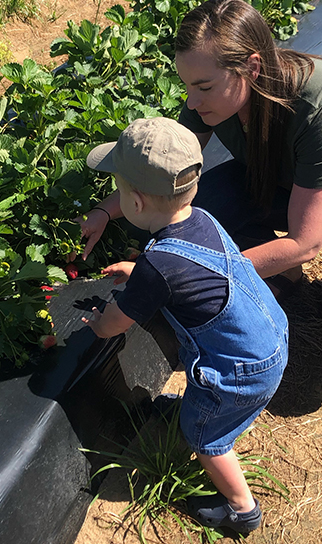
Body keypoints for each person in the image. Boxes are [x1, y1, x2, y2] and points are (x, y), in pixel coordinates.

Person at [77, 0, 322, 348]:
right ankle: (283, 268)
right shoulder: (206, 97)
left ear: (252, 68)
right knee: (172, 212)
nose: (192, 102)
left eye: (204, 87)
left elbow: (305, 242)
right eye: (187, 86)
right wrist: (103, 211)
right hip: (282, 181)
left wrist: (176, 275)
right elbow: (161, 175)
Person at [82, 117, 288, 535]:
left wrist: (96, 323)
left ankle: (241, 509)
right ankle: (201, 414)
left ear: (135, 205)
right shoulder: (204, 220)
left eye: (119, 190)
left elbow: (114, 325)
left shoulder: (158, 265)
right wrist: (140, 269)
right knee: (210, 412)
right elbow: (189, 267)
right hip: (270, 337)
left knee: (206, 440)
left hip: (237, 370)